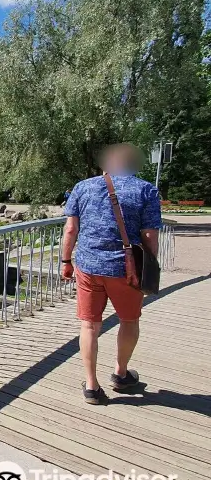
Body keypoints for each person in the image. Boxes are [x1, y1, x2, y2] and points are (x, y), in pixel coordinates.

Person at [60, 143, 162, 405]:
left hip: (88, 267)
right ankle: (120, 374)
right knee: (128, 320)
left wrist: (65, 260)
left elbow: (70, 230)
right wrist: (149, 265)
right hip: (125, 270)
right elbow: (150, 235)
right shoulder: (146, 190)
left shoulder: (82, 187)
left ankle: (92, 387)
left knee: (89, 325)